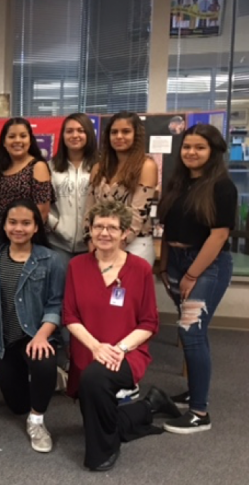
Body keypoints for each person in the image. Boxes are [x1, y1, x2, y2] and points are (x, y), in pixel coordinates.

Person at [63, 200, 178, 471]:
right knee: (97, 416)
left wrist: (118, 349)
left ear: (125, 233)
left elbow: (149, 323)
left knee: (95, 382)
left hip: (128, 353)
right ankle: (150, 405)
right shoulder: (76, 266)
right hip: (88, 351)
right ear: (89, 230)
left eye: (112, 228)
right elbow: (70, 316)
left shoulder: (139, 269)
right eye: (98, 226)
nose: (104, 233)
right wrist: (95, 347)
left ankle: (101, 455)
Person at [158, 124, 236, 434]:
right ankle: (194, 392)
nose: (191, 152)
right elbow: (167, 229)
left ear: (213, 151)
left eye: (199, 147)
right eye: (187, 146)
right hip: (177, 263)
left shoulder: (222, 186)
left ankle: (200, 413)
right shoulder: (178, 182)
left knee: (191, 333)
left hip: (206, 265)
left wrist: (192, 274)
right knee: (192, 331)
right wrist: (165, 267)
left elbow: (218, 236)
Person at [0, 199, 65, 454]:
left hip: (36, 336)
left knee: (43, 361)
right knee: (16, 405)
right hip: (5, 342)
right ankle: (49, 382)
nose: (19, 228)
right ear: (4, 227)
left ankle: (37, 420)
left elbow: (56, 303)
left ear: (36, 227)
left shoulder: (52, 261)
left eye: (26, 223)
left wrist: (41, 336)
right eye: (13, 222)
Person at [86, 111, 158, 266]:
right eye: (114, 132)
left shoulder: (146, 166)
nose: (119, 136)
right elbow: (89, 209)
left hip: (134, 244)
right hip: (100, 242)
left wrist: (116, 246)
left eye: (126, 131)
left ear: (136, 135)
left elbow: (139, 214)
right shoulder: (98, 168)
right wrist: (91, 239)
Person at [0, 118, 55, 247]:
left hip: (29, 242)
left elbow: (42, 212)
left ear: (30, 140)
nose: (17, 140)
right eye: (12, 136)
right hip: (2, 240)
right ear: (4, 142)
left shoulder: (37, 166)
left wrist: (20, 239)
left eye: (23, 136)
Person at [48, 113, 98, 262]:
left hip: (92, 244)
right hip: (58, 244)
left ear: (89, 134)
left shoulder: (100, 166)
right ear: (63, 135)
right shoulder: (50, 167)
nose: (75, 135)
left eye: (80, 130)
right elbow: (43, 202)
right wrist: (57, 226)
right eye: (69, 131)